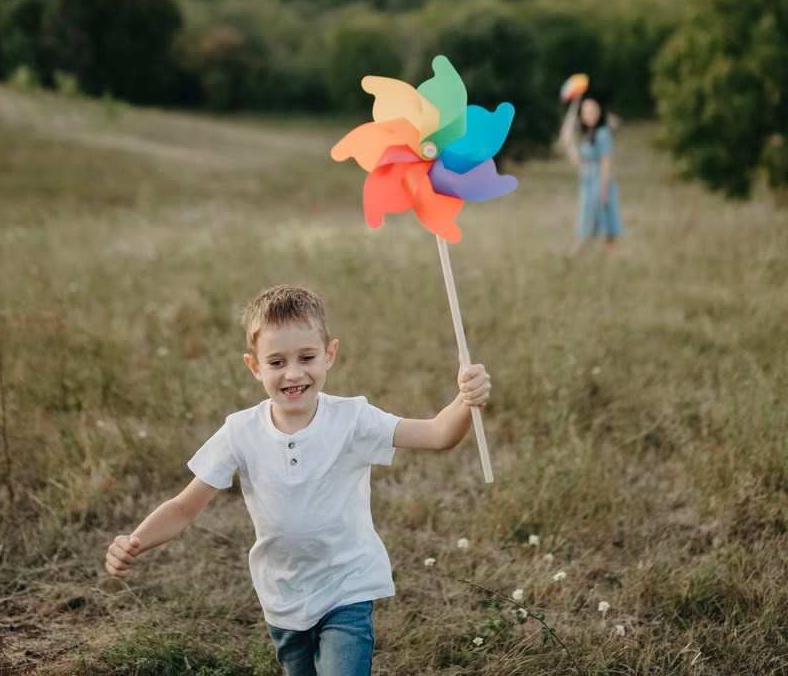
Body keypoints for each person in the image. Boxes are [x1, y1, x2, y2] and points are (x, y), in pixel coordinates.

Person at [105, 284, 490, 676]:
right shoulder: (240, 432)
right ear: (255, 366)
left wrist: (465, 399)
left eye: (307, 357)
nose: (293, 373)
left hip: (347, 587)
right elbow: (183, 507)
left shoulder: (353, 420)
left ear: (329, 354)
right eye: (276, 362)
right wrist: (135, 541)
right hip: (283, 597)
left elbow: (438, 434)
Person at [559, 95, 623, 255]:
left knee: (600, 220)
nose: (590, 114)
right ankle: (606, 259)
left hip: (599, 181)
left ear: (600, 112)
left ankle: (573, 256)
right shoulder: (587, 136)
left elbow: (606, 163)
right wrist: (570, 142)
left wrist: (604, 192)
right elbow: (578, 161)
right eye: (586, 112)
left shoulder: (603, 134)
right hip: (586, 180)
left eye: (593, 110)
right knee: (588, 218)